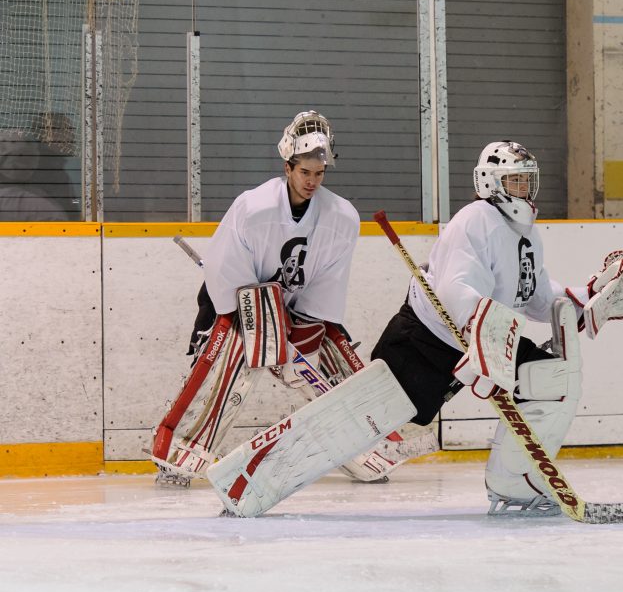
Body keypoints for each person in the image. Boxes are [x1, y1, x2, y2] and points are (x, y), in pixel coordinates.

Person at [369, 140, 623, 514]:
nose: (526, 189)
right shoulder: (475, 219)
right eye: (516, 180)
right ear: (491, 182)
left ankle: (515, 482)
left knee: (549, 378)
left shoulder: (527, 234)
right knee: (375, 417)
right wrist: (483, 336)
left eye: (527, 181)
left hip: (481, 334)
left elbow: (533, 296)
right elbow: (455, 289)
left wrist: (582, 298)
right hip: (424, 340)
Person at [150, 110, 431, 487]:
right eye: (305, 173)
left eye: (320, 173)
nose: (312, 181)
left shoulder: (340, 216)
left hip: (297, 306)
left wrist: (310, 326)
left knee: (330, 362)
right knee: (226, 366)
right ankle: (178, 454)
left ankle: (367, 450)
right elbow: (225, 272)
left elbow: (328, 280)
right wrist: (262, 322)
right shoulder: (253, 207)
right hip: (236, 304)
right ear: (287, 167)